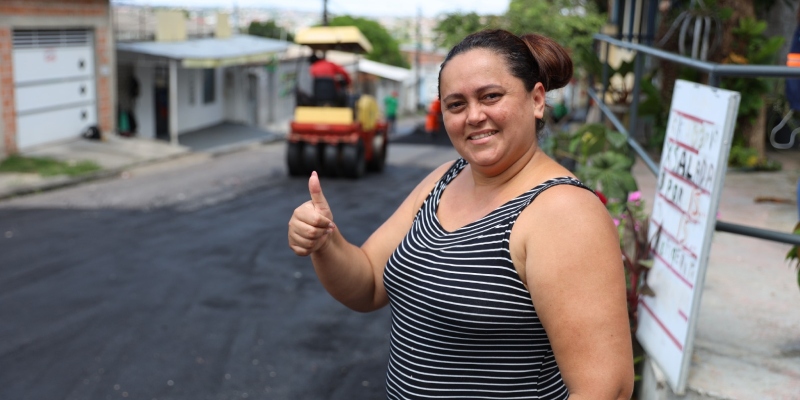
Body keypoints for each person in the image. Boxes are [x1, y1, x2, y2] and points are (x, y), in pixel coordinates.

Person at [288, 29, 633, 399]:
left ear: (536, 100)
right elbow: (369, 283)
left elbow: (605, 388)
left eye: (491, 96)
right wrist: (326, 241)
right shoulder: (446, 178)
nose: (474, 116)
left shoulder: (563, 212)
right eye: (456, 104)